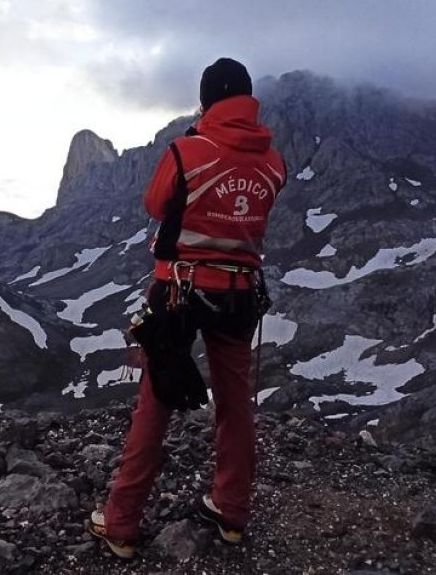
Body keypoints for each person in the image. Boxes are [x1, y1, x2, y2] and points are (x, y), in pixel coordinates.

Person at [88, 58, 287, 559]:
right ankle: (232, 511)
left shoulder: (186, 151)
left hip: (179, 290)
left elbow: (156, 205)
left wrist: (197, 138)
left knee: (156, 398)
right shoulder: (274, 163)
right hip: (240, 294)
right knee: (235, 402)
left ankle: (122, 521)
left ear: (205, 101)